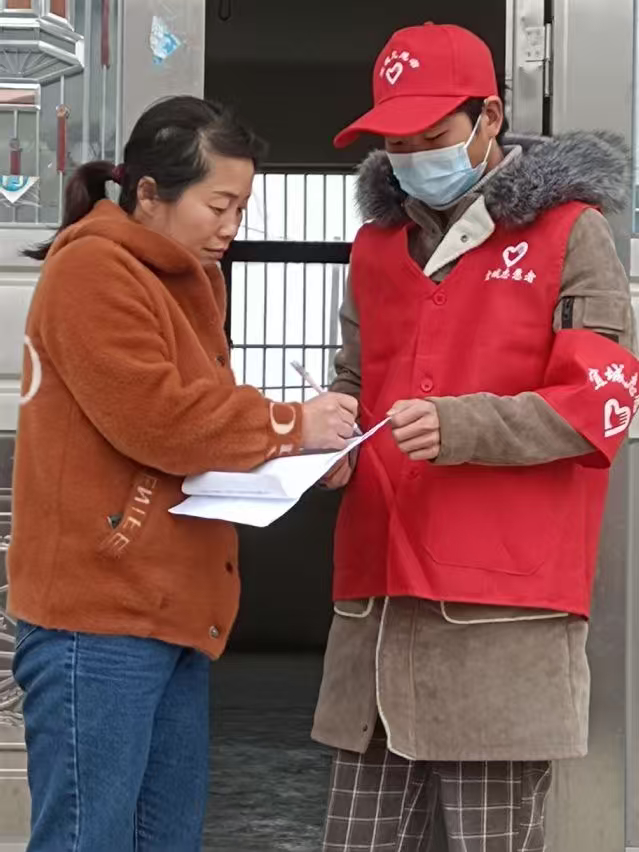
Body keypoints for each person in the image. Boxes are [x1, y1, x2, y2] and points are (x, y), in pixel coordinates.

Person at [312, 22, 639, 852]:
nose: (413, 155)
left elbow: (601, 405)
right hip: (380, 602)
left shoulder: (571, 233)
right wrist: (325, 437)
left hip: (500, 621)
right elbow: (354, 379)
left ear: (489, 116)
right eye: (395, 141)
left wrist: (464, 424)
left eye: (433, 135)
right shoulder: (375, 247)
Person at [8, 95, 357, 852]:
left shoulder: (183, 277)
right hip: (96, 615)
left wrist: (294, 451)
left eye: (242, 205)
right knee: (86, 839)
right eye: (219, 204)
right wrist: (288, 423)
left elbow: (199, 421)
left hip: (166, 607)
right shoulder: (94, 272)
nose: (232, 225)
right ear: (147, 196)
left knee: (161, 839)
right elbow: (162, 419)